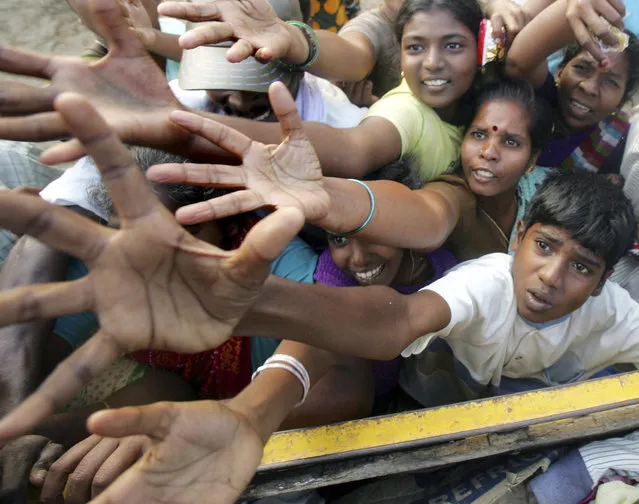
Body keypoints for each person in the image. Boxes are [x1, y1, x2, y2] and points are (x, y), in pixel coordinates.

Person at [0, 90, 638, 503]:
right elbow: (389, 320)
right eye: (545, 249)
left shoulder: (612, 313)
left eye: (581, 267)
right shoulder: (483, 280)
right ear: (522, 237)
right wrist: (246, 385)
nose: (552, 276)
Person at [154, 78, 553, 263]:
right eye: (479, 135)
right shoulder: (454, 190)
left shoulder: (548, 192)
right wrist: (327, 196)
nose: (488, 152)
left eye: (511, 142)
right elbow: (429, 219)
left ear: (534, 159)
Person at [506, 0, 639, 174]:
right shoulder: (537, 96)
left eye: (610, 81)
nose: (589, 87)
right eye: (582, 68)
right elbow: (518, 62)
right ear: (560, 71)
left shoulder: (618, 141)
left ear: (622, 100)